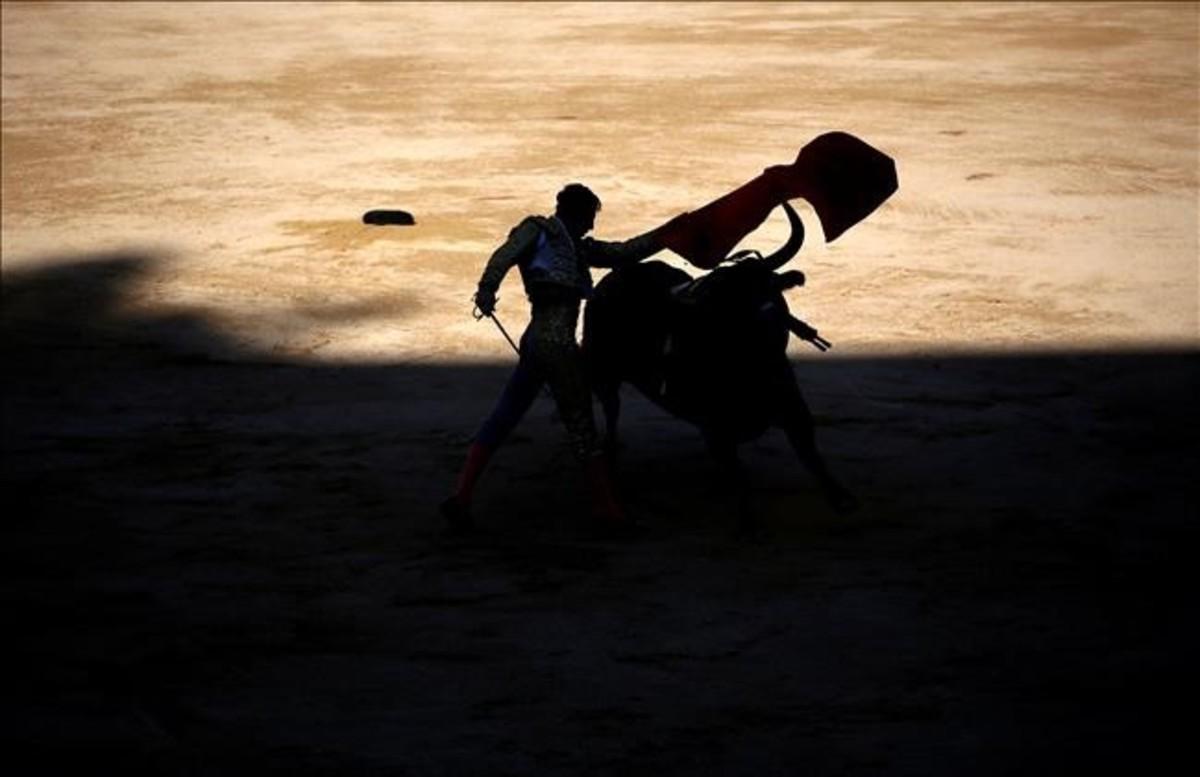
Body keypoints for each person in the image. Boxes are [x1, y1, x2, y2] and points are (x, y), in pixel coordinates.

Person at [441, 183, 670, 532]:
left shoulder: (575, 245)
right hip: (558, 346)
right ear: (577, 214)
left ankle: (462, 496)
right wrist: (487, 289)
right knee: (582, 427)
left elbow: (623, 252)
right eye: (590, 217)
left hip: (536, 341)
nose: (592, 226)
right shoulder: (538, 230)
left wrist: (667, 234)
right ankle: (605, 509)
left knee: (504, 416)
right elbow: (504, 255)